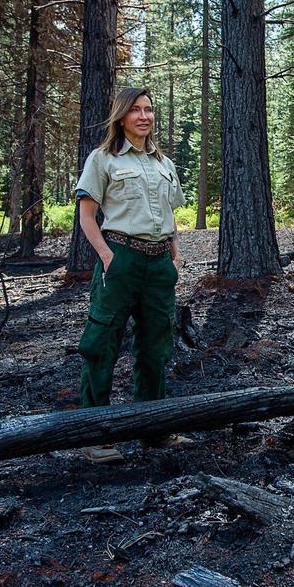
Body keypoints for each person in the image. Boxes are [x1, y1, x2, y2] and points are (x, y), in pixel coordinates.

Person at [74, 87, 186, 461]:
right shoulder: (102, 159)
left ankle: (153, 430)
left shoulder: (163, 163)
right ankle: (94, 435)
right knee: (102, 341)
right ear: (121, 116)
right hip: (121, 257)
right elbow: (87, 217)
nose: (144, 116)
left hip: (158, 265)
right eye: (136, 110)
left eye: (149, 110)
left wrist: (174, 256)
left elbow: (170, 216)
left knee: (156, 346)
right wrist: (107, 257)